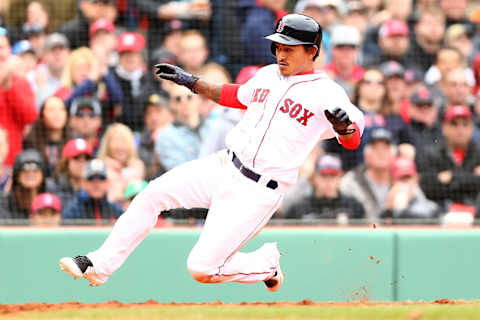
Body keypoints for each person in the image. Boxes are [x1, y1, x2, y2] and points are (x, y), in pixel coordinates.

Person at [59, 14, 364, 291]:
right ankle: (99, 265)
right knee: (152, 194)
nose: (281, 53)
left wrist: (345, 128)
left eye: (290, 48)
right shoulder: (269, 74)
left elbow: (353, 139)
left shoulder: (329, 94)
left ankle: (265, 264)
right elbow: (233, 95)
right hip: (224, 164)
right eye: (278, 46)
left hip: (259, 190)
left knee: (201, 269)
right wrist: (191, 82)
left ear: (312, 50)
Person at [417, 105, 480, 210]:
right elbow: (428, 187)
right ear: (444, 127)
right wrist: (471, 178)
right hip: (440, 213)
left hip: (476, 213)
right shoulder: (431, 153)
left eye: (465, 124)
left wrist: (451, 177)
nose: (460, 129)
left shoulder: (478, 153)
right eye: (454, 124)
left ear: (472, 128)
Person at [340, 127, 396, 223]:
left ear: (393, 154)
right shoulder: (350, 181)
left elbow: (426, 209)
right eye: (375, 148)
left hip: (394, 233)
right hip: (361, 235)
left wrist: (399, 209)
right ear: (366, 155)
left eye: (385, 148)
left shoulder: (402, 178)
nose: (380, 153)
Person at [286, 154, 365, 221]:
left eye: (333, 175)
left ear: (340, 177)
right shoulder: (300, 208)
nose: (328, 181)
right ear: (314, 178)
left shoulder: (353, 206)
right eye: (323, 175)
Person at [0, 29, 38, 167]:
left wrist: (10, 86)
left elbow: (30, 116)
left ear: (9, 50)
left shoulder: (19, 80)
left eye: (2, 47)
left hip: (12, 159)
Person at [62, 158, 123, 225]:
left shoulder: (117, 211)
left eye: (101, 178)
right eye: (91, 178)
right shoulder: (72, 212)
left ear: (107, 182)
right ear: (83, 183)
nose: (96, 183)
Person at [97, 123, 146, 203]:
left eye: (124, 141)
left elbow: (135, 193)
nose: (120, 146)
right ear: (108, 145)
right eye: (116, 141)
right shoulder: (99, 167)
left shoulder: (137, 165)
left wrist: (121, 170)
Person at [23, 96, 71, 177]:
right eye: (51, 110)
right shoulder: (31, 143)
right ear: (42, 116)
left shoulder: (73, 142)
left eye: (61, 109)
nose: (57, 114)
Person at [54, 138, 93, 209]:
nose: (82, 163)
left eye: (86, 158)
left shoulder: (97, 186)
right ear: (66, 162)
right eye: (76, 158)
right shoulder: (55, 186)